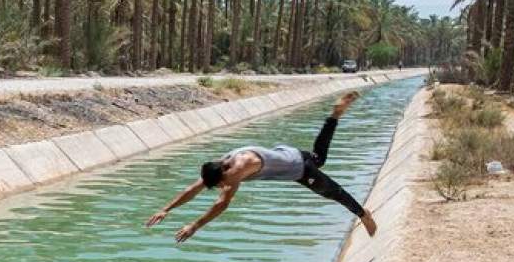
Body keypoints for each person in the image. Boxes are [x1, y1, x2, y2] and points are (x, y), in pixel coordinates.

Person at [146, 92, 378, 242]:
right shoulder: (223, 163)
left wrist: (194, 226)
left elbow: (222, 204)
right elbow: (194, 188)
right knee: (318, 157)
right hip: (290, 154)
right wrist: (167, 208)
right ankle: (334, 117)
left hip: (298, 168)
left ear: (224, 175)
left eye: (220, 185)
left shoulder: (237, 169)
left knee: (331, 191)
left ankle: (362, 213)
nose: (222, 187)